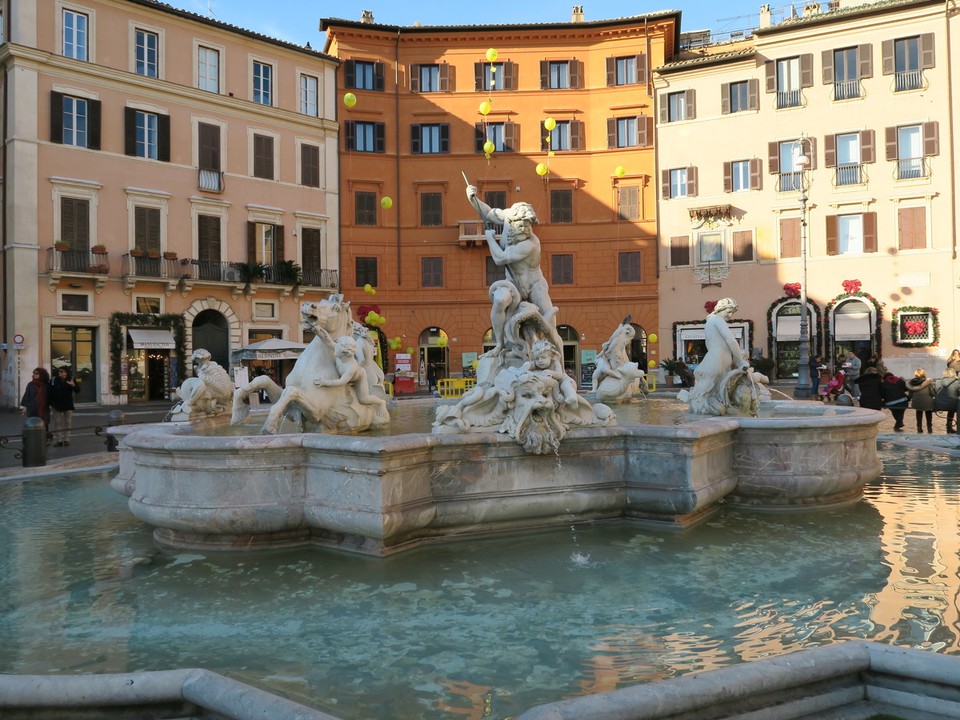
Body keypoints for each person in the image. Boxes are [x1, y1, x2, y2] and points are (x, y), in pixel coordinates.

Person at [465, 184, 563, 354]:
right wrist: (472, 198)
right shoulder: (508, 215)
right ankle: (499, 344)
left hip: (534, 284)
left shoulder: (531, 243)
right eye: (522, 225)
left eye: (528, 225)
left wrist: (490, 239)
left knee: (549, 326)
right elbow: (488, 213)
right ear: (512, 221)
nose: (526, 229)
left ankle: (559, 362)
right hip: (512, 283)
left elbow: (500, 259)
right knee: (500, 300)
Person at [687, 298, 750, 415]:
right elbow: (731, 341)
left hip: (718, 362)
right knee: (706, 393)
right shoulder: (717, 319)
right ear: (721, 309)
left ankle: (714, 409)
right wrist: (740, 361)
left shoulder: (711, 322)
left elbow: (709, 344)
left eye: (732, 312)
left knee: (715, 393)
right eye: (728, 311)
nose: (730, 315)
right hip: (715, 362)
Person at [48, 367, 80, 446]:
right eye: (59, 371)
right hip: (56, 404)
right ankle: (59, 440)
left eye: (61, 371)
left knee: (68, 422)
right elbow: (49, 391)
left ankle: (66, 439)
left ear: (66, 373)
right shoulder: (54, 379)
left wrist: (73, 385)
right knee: (58, 422)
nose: (60, 372)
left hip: (67, 404)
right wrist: (50, 402)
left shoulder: (71, 379)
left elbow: (78, 390)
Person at [906, 368, 935, 433]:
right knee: (928, 412)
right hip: (927, 401)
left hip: (916, 402)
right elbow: (933, 393)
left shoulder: (912, 383)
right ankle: (929, 428)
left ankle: (919, 427)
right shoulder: (928, 382)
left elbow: (910, 395)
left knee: (918, 411)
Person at [933, 368, 960, 434]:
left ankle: (949, 426)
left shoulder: (938, 381)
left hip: (939, 404)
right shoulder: (957, 382)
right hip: (952, 405)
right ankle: (949, 427)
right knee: (954, 406)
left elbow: (935, 392)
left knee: (951, 406)